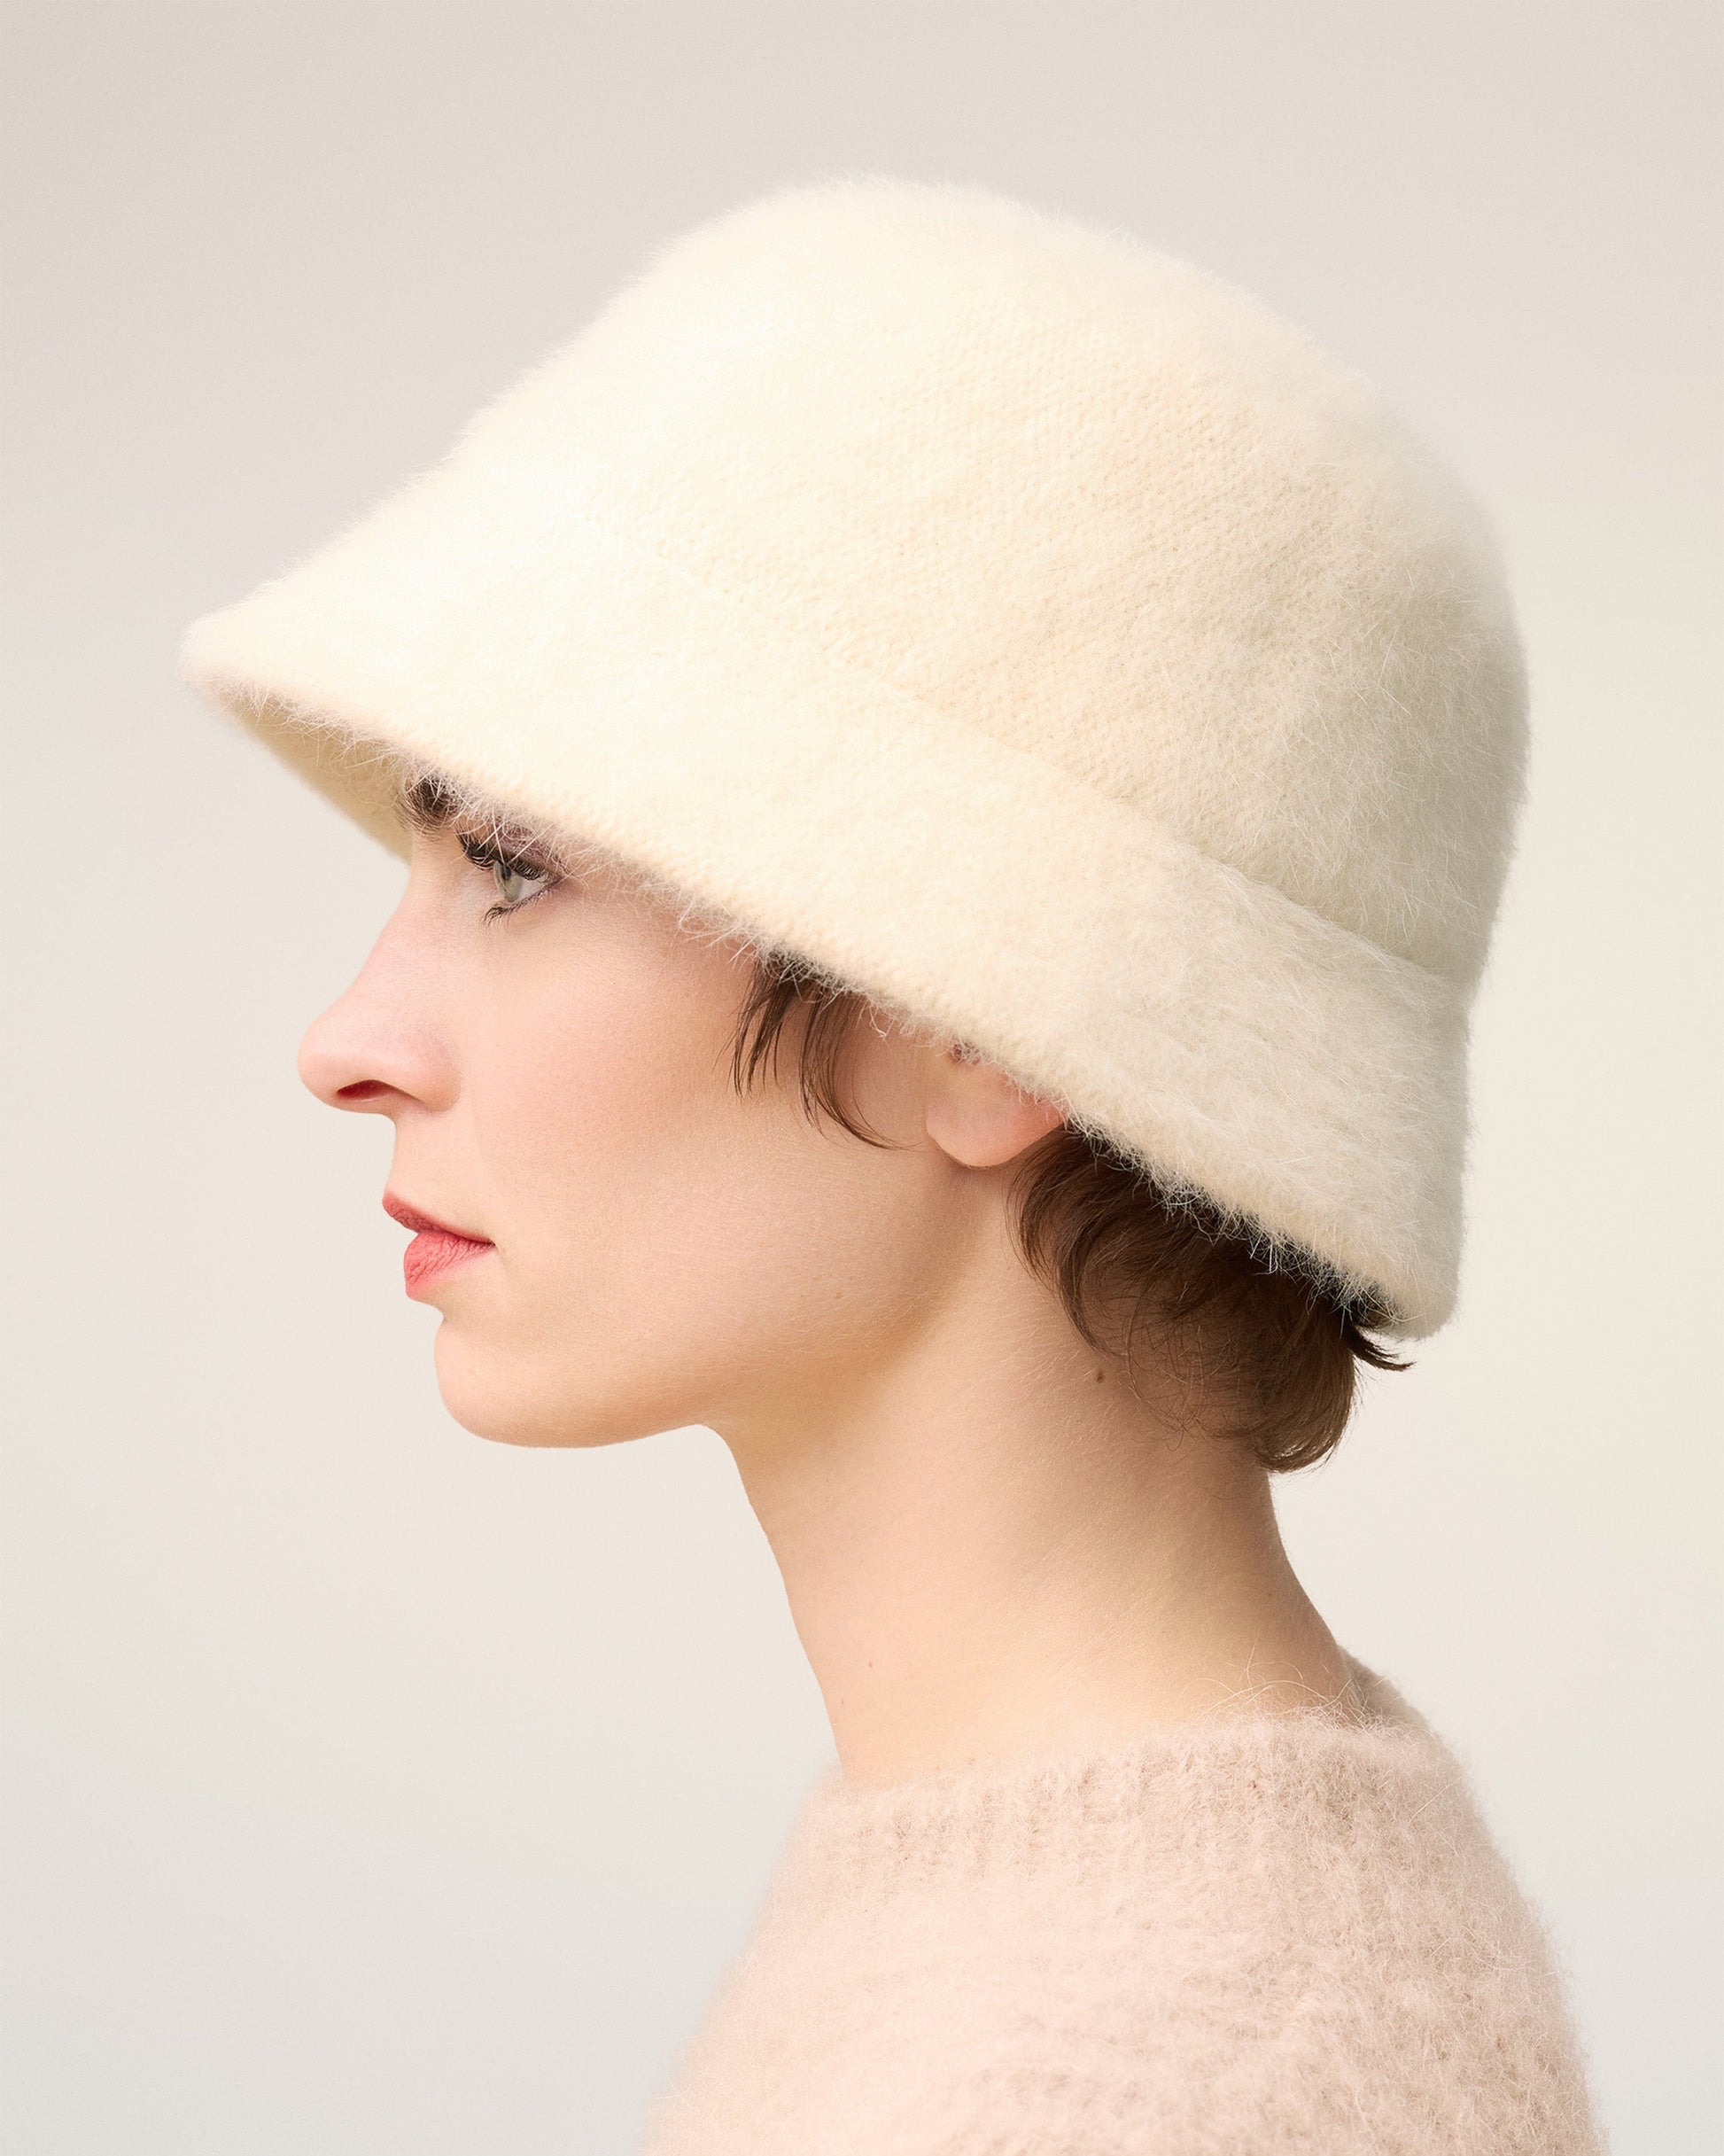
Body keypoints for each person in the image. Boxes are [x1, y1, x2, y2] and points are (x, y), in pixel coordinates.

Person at [179, 175, 1604, 2153]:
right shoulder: (1117, 1886)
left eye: (511, 868)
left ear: (980, 1021)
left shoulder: (1126, 2082)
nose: (348, 1041)